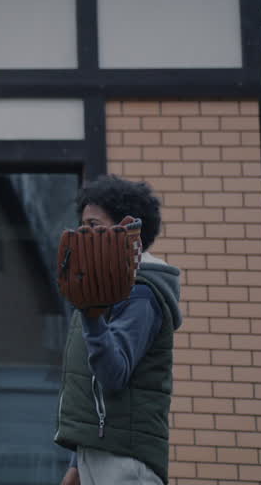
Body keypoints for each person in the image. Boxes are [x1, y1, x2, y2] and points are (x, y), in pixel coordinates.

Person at [56, 175, 182, 485]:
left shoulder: (142, 294)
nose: (85, 236)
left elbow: (113, 375)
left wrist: (92, 316)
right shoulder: (98, 293)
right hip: (97, 454)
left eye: (95, 227)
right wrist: (77, 463)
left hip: (125, 463)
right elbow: (90, 387)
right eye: (82, 227)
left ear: (129, 234)